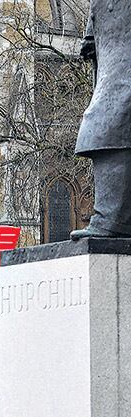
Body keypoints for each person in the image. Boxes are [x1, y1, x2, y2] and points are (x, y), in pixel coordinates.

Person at [71, 0, 131, 239]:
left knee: (108, 125)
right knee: (104, 126)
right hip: (112, 42)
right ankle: (111, 217)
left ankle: (111, 218)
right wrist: (90, 33)